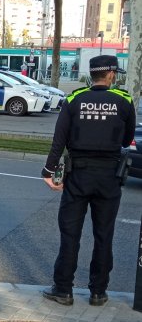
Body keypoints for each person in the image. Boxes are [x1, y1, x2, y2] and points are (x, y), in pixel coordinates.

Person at [41, 55, 136, 307]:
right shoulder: (124, 101)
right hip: (109, 178)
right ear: (112, 75)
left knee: (70, 235)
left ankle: (63, 290)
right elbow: (127, 140)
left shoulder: (74, 99)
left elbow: (58, 139)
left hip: (78, 177)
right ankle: (98, 292)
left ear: (90, 75)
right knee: (104, 236)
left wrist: (48, 171)